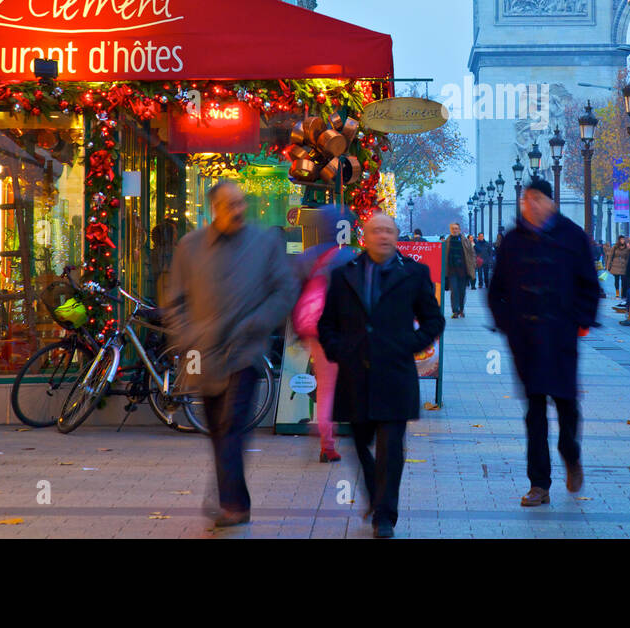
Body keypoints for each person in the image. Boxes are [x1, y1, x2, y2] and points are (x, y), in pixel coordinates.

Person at [164, 179, 298, 528]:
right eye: (230, 205)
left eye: (241, 204)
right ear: (214, 210)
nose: (238, 211)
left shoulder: (264, 243)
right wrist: (186, 335)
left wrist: (258, 322)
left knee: (232, 424)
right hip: (204, 355)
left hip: (245, 352)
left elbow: (284, 289)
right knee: (218, 431)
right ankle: (233, 499)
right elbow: (174, 301)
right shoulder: (189, 247)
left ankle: (233, 505)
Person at [318, 211, 445, 538]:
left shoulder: (414, 274)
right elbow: (326, 323)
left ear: (396, 235)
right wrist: (339, 349)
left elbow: (433, 320)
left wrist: (410, 345)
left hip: (394, 374)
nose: (384, 237)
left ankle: (385, 515)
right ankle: (377, 494)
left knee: (390, 447)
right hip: (355, 373)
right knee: (360, 442)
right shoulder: (344, 274)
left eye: (389, 231)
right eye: (377, 231)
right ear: (365, 236)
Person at [488, 177, 601, 506]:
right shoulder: (512, 240)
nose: (530, 205)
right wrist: (507, 325)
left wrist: (580, 320)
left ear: (550, 202)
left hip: (561, 337)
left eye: (536, 199)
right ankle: (539, 484)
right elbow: (496, 291)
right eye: (526, 200)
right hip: (525, 340)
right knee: (533, 412)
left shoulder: (572, 236)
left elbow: (590, 285)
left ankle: (571, 455)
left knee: (567, 406)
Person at [293, 205, 357, 463]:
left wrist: (299, 328)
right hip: (343, 331)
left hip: (315, 330)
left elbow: (294, 292)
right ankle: (354, 429)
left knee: (326, 387)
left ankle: (326, 440)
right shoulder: (347, 257)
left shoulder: (306, 256)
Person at [441, 221, 476, 319]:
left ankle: (461, 308)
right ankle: (455, 311)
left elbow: (472, 254)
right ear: (450, 230)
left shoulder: (466, 241)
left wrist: (472, 266)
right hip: (451, 271)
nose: (454, 230)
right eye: (453, 228)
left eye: (456, 228)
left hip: (463, 271)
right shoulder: (446, 242)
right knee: (454, 291)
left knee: (462, 291)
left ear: (459, 230)